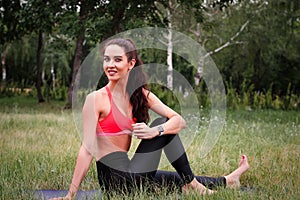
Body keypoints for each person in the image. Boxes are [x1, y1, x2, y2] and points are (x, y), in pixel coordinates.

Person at [51, 38, 249, 199]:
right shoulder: (96, 100)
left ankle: (227, 180)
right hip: (116, 182)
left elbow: (180, 121)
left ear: (131, 64)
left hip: (133, 172)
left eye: (117, 60)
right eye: (106, 59)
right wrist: (71, 195)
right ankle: (194, 185)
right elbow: (86, 149)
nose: (110, 65)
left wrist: (155, 132)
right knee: (163, 125)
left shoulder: (141, 95)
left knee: (175, 176)